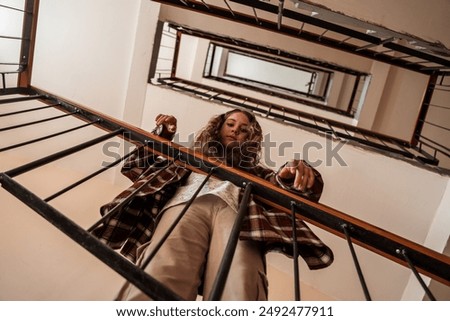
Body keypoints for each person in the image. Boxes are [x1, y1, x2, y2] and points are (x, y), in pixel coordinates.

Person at [93, 108, 333, 300]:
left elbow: (285, 187)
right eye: (230, 124)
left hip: (241, 216)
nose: (235, 130)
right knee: (163, 270)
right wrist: (162, 136)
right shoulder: (188, 155)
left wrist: (291, 172)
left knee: (240, 279)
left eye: (244, 129)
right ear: (218, 127)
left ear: (250, 138)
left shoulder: (256, 172)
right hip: (185, 204)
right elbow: (137, 167)